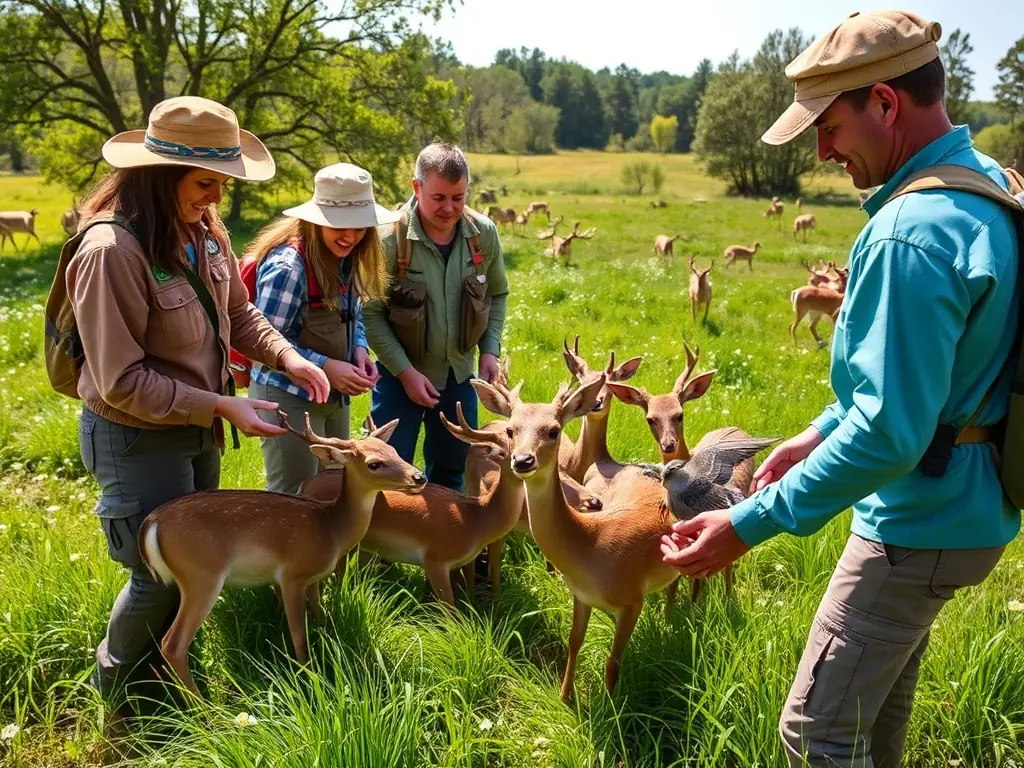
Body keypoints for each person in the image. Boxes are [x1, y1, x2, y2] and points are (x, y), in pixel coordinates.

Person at [658, 11, 1020, 768]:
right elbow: (935, 376)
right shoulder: (988, 185)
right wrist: (822, 430)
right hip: (976, 506)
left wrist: (746, 522)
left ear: (886, 104)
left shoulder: (908, 230)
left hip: (914, 524)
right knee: (875, 719)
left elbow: (890, 432)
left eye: (828, 124)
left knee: (816, 736)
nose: (821, 150)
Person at [64, 96, 330, 720]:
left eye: (221, 184)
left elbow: (238, 313)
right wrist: (222, 404)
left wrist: (288, 357)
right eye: (205, 182)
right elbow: (121, 380)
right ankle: (117, 701)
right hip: (135, 437)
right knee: (153, 578)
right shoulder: (111, 253)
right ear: (160, 176)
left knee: (186, 572)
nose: (215, 199)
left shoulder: (203, 231)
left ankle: (162, 676)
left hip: (198, 428)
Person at [363, 141, 508, 491]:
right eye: (439, 198)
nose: (449, 208)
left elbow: (497, 293)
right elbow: (370, 314)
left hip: (459, 375)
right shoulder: (389, 237)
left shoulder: (482, 233)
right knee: (388, 471)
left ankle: (443, 543)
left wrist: (490, 349)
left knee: (452, 470)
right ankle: (386, 546)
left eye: (458, 198)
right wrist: (406, 373)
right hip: (399, 378)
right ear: (416, 187)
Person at [245, 163, 396, 493]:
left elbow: (353, 315)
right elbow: (263, 341)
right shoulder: (288, 267)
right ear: (315, 221)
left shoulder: (349, 258)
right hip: (288, 395)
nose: (350, 236)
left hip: (332, 396)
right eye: (339, 225)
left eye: (359, 227)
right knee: (293, 494)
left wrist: (359, 351)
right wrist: (328, 366)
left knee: (332, 488)